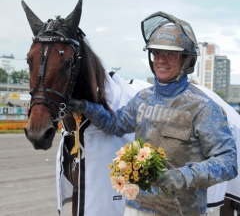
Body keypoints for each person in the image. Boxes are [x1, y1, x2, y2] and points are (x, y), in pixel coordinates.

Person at [67, 12, 238, 216]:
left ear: (186, 60)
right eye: (156, 52)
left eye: (170, 54)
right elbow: (115, 124)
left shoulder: (204, 108)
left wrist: (182, 176)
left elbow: (228, 162)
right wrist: (86, 106)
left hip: (182, 211)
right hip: (137, 208)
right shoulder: (143, 99)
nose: (161, 60)